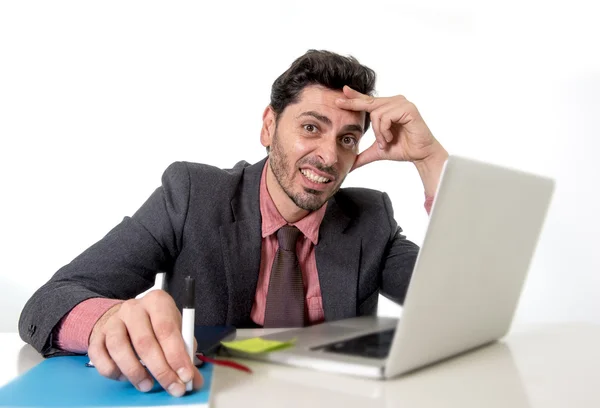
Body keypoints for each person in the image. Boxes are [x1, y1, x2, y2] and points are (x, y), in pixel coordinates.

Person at [19, 50, 448, 396]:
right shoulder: (192, 195)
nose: (330, 156)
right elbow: (49, 302)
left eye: (348, 139)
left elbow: (455, 305)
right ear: (269, 126)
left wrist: (431, 162)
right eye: (311, 127)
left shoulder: (370, 218)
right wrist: (106, 320)